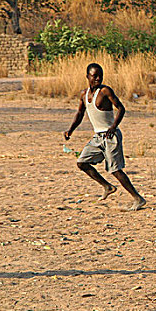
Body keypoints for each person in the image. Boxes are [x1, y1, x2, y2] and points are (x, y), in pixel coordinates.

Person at [64, 63, 146, 211]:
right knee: (82, 162)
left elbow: (121, 108)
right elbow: (80, 114)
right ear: (87, 76)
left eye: (100, 75)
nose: (98, 78)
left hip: (110, 136)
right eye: (94, 76)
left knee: (115, 170)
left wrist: (113, 127)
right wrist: (70, 130)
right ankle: (107, 186)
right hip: (98, 137)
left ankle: (138, 198)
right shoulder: (84, 94)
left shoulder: (105, 91)